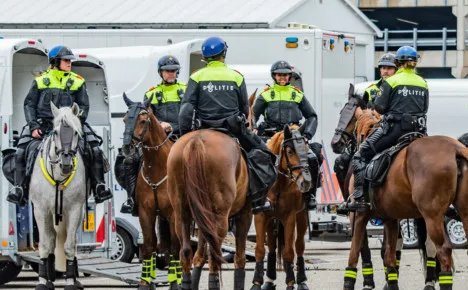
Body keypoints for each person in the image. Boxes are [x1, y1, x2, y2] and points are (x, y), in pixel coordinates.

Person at [178, 37, 275, 214]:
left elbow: (186, 110)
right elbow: (245, 110)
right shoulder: (236, 76)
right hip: (232, 129)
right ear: (223, 54)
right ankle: (258, 200)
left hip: (202, 128)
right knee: (265, 155)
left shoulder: (196, 76)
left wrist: (186, 135)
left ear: (206, 58)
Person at [7, 46, 111, 207]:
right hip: (43, 125)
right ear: (55, 62)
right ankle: (19, 188)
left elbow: (83, 106)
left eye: (70, 60)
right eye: (66, 60)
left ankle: (99, 186)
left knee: (95, 150)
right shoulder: (41, 80)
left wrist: (77, 125)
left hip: (72, 126)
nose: (69, 63)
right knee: (21, 152)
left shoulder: (78, 80)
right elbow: (29, 104)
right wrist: (33, 126)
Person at [343, 46, 429, 213]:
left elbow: (380, 108)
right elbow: (424, 108)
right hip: (419, 131)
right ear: (414, 63)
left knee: (361, 154)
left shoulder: (391, 81)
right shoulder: (422, 81)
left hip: (394, 131)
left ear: (397, 63)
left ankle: (359, 198)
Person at [118, 55, 187, 215]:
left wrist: (172, 126)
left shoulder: (185, 90)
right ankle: (132, 199)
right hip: (157, 139)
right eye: (167, 71)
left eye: (174, 71)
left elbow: (189, 115)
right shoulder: (152, 93)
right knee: (130, 160)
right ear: (160, 73)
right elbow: (146, 118)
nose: (171, 73)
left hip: (180, 136)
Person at [251, 60, 322, 211]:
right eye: (279, 75)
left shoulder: (298, 95)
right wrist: (255, 128)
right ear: (274, 76)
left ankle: (310, 195)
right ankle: (257, 195)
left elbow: (312, 116)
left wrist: (307, 135)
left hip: (293, 138)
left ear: (289, 77)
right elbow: (253, 116)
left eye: (285, 75)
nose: (282, 78)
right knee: (253, 157)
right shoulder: (265, 95)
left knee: (314, 156)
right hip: (269, 136)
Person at [332, 53, 397, 190]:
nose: (385, 71)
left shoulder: (399, 88)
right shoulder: (370, 90)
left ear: (396, 70)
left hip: (392, 130)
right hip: (371, 132)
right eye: (383, 67)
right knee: (341, 162)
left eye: (389, 68)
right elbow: (363, 115)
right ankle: (349, 199)